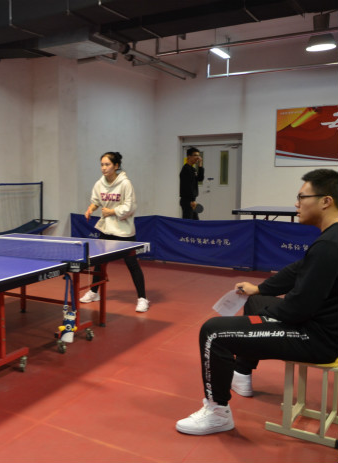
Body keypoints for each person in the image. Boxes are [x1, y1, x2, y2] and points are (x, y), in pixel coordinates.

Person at [176, 168, 338, 436]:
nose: (296, 204)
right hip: (319, 325)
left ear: (326, 201)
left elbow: (298, 308)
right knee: (256, 300)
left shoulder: (329, 247)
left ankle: (217, 413)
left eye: (302, 197)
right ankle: (242, 374)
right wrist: (260, 288)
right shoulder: (329, 239)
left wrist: (266, 317)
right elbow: (298, 270)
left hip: (316, 338)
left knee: (214, 332)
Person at [79, 151, 150, 313]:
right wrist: (90, 209)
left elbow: (130, 207)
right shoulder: (99, 183)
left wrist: (111, 212)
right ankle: (94, 292)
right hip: (106, 228)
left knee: (132, 264)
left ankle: (142, 298)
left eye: (107, 164)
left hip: (124, 231)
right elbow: (96, 201)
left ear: (116, 166)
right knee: (98, 262)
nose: (103, 168)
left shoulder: (125, 184)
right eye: (102, 165)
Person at [179, 146, 205, 220]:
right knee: (188, 222)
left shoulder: (193, 169)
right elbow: (188, 186)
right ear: (189, 157)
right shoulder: (186, 169)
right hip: (187, 201)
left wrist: (200, 166)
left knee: (195, 222)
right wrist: (192, 200)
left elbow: (200, 178)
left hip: (192, 200)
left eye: (198, 155)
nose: (198, 157)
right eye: (195, 155)